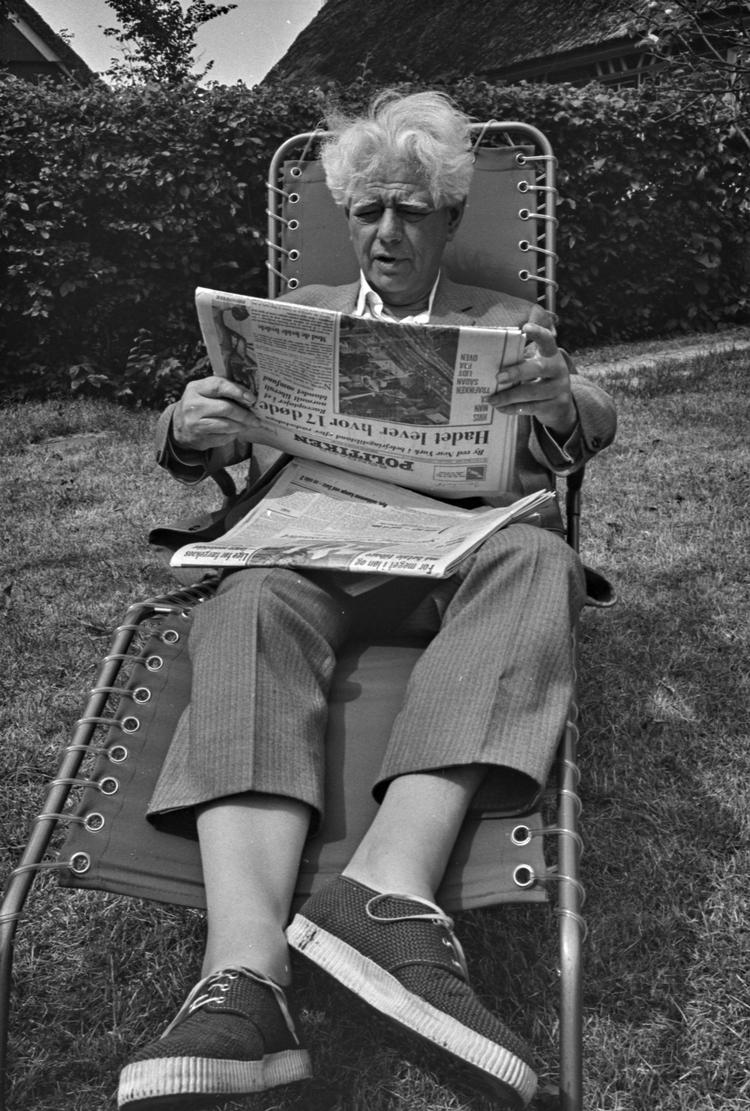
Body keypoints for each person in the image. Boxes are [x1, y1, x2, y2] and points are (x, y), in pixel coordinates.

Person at [117, 90, 616, 1110]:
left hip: (464, 561)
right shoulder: (297, 312)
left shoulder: (505, 323)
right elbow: (191, 442)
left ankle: (385, 895)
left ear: (444, 217)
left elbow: (591, 415)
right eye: (368, 210)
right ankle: (242, 979)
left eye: (411, 210)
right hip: (313, 550)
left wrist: (563, 400)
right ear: (348, 216)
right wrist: (188, 424)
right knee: (246, 596)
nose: (388, 231)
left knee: (539, 563)